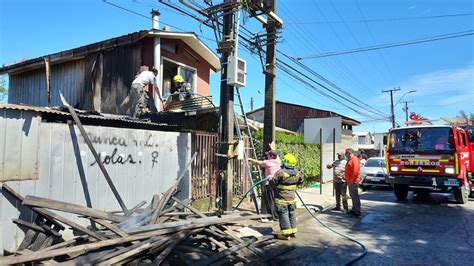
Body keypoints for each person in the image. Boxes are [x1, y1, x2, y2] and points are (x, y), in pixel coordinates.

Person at [273, 153, 304, 240]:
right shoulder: (298, 173)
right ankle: (293, 232)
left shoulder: (280, 172)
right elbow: (301, 181)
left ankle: (286, 234)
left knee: (283, 215)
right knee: (292, 214)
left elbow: (273, 182)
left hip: (281, 198)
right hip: (292, 198)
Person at [249, 150, 281, 222]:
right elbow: (277, 155)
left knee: (270, 200)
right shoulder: (278, 161)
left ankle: (271, 217)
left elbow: (257, 162)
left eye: (268, 155)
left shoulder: (268, 163)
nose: (267, 156)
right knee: (276, 200)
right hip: (277, 184)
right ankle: (276, 216)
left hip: (269, 183)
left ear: (272, 156)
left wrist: (250, 159)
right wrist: (272, 148)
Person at [345, 148, 362, 217]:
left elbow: (355, 172)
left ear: (349, 153)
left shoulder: (354, 160)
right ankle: (354, 209)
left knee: (355, 196)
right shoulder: (350, 160)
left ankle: (357, 211)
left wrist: (351, 180)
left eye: (346, 153)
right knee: (352, 196)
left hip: (353, 181)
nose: (346, 154)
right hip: (350, 181)